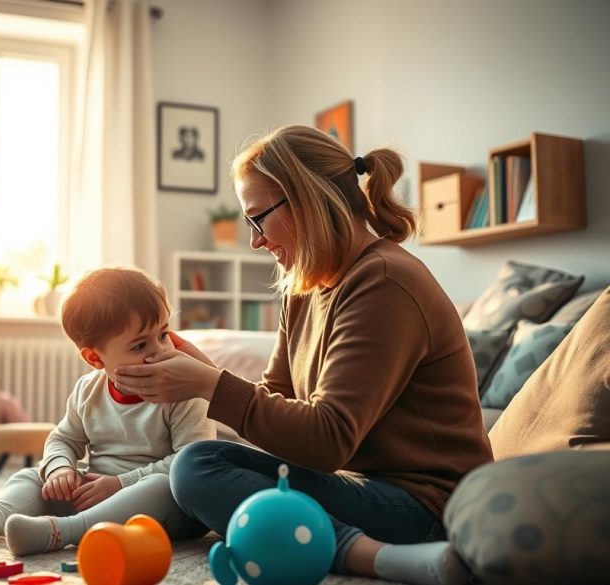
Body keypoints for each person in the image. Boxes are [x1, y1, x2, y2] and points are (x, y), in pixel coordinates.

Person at [114, 125, 493, 585]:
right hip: (363, 485)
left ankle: (373, 557)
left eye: (257, 219)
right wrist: (208, 373)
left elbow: (328, 440)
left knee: (198, 467)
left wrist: (207, 385)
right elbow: (276, 400)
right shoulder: (306, 289)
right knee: (195, 465)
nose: (255, 240)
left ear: (306, 200)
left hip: (424, 507)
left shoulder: (385, 281)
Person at [0, 267, 214, 555]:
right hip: (96, 493)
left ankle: (62, 532)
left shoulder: (187, 389)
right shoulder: (88, 390)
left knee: (161, 486)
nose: (161, 350)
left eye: (163, 334)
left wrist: (120, 484)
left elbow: (191, 464)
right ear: (95, 358)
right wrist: (61, 470)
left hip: (167, 503)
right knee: (33, 475)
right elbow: (63, 440)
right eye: (139, 346)